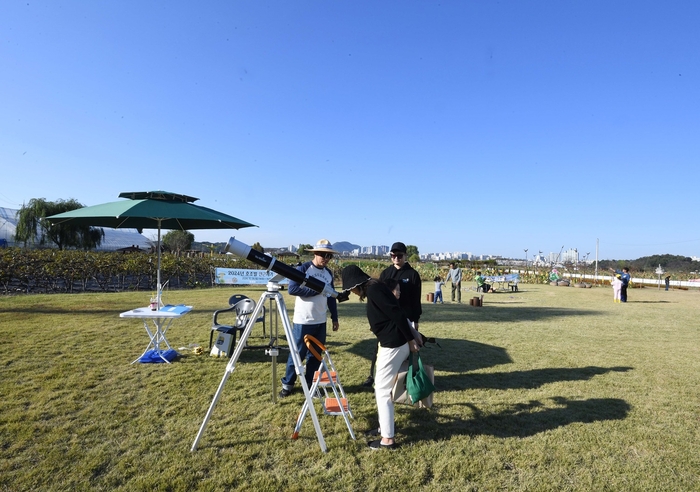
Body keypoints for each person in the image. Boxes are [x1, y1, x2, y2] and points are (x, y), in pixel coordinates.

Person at [341, 265, 419, 450]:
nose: (351, 292)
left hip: (393, 345)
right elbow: (392, 311)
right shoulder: (377, 287)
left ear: (356, 283)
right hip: (393, 343)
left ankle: (387, 439)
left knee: (382, 391)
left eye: (350, 288)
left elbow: (396, 313)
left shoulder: (375, 290)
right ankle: (383, 427)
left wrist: (411, 338)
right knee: (382, 388)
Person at [279, 239, 340, 398]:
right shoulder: (304, 269)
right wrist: (317, 290)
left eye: (329, 256)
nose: (325, 258)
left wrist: (334, 317)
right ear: (315, 253)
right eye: (322, 254)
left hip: (321, 321)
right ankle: (288, 384)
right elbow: (292, 289)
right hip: (303, 321)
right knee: (297, 354)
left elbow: (331, 296)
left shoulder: (328, 273)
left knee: (315, 356)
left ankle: (310, 385)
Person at [363, 241, 422, 387]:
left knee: (406, 350)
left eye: (399, 255)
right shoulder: (386, 273)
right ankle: (373, 375)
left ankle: (405, 380)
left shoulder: (412, 275)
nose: (396, 258)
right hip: (387, 319)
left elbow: (416, 299)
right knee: (380, 348)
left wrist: (415, 320)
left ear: (405, 256)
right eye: (393, 255)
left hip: (405, 316)